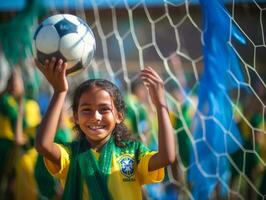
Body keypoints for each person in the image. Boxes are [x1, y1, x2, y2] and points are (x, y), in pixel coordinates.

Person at [34, 58, 176, 199]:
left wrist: (160, 105)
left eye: (104, 109)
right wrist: (59, 92)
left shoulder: (133, 152)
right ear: (75, 117)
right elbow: (43, 145)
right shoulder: (70, 154)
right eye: (87, 110)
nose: (96, 116)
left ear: (119, 116)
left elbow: (166, 157)